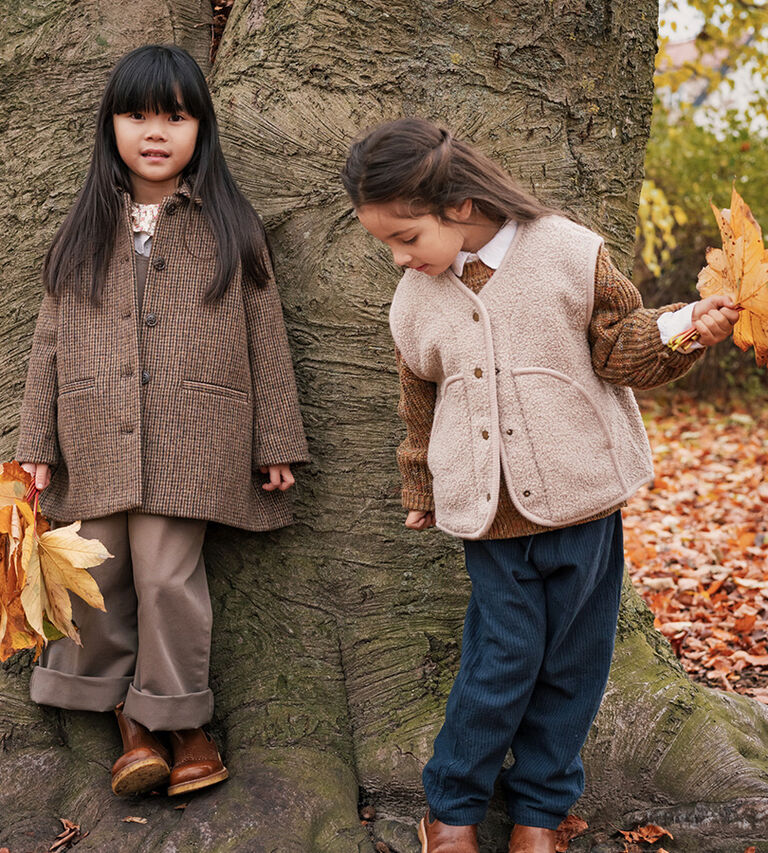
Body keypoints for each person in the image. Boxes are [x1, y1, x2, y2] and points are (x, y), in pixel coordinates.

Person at [341, 117, 737, 853]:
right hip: (491, 520)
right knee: (503, 659)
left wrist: (685, 327)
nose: (398, 257)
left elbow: (622, 347)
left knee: (574, 666)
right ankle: (452, 807)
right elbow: (418, 400)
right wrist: (419, 488)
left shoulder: (568, 252)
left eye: (404, 236)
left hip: (584, 503)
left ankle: (541, 814)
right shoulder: (416, 299)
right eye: (386, 244)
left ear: (457, 205)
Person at [16, 45, 309, 799]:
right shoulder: (82, 229)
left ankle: (182, 719)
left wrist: (276, 440)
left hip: (193, 439)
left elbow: (265, 336)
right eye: (137, 114)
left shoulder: (231, 226)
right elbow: (49, 342)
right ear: (109, 126)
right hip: (93, 433)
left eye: (175, 116)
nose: (156, 131)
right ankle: (126, 718)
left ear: (200, 129)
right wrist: (35, 443)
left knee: (169, 576)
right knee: (96, 573)